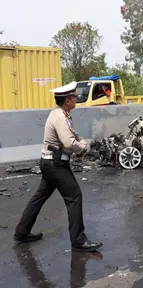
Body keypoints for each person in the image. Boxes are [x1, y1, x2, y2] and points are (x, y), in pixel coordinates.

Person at [13, 82, 103, 253]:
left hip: (50, 163)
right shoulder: (60, 116)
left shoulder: (60, 114)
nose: (76, 98)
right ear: (68, 100)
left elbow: (71, 134)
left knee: (39, 197)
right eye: (74, 96)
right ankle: (78, 241)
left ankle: (21, 233)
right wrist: (83, 147)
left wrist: (79, 139)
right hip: (55, 165)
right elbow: (68, 141)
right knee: (74, 196)